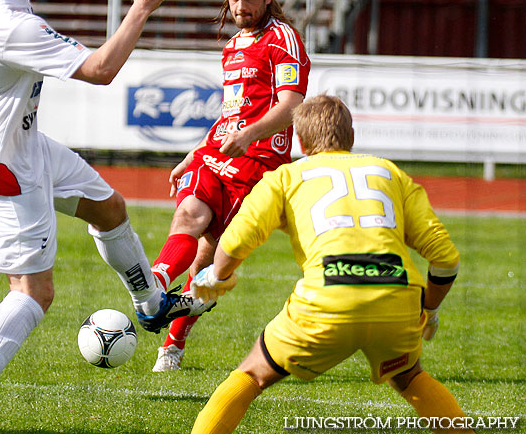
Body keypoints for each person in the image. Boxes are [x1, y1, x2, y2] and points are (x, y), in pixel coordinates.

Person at [0, 0, 209, 434]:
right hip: (3, 168)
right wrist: (140, 9)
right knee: (34, 292)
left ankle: (150, 305)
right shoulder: (13, 25)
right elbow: (101, 69)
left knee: (110, 209)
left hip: (25, 143)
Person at [189, 95, 475, 434]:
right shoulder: (391, 173)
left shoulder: (285, 177)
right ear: (351, 137)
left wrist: (214, 277)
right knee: (410, 377)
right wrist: (429, 309)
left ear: (301, 141)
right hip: (397, 298)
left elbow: (235, 240)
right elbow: (445, 257)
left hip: (326, 300)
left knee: (252, 374)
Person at [144, 0, 311, 372]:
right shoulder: (233, 47)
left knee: (206, 262)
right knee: (188, 215)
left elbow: (292, 106)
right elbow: (229, 112)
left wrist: (250, 135)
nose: (241, 6)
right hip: (218, 152)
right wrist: (193, 152)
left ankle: (173, 342)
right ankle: (152, 288)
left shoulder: (283, 40)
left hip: (257, 164)